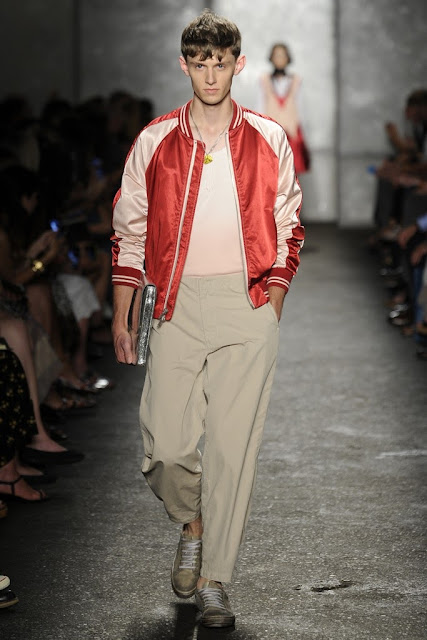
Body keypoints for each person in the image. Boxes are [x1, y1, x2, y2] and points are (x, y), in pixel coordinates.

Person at [111, 9, 304, 629]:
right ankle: (192, 525)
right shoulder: (155, 141)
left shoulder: (269, 138)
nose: (211, 74)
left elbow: (288, 224)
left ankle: (215, 579)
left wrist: (273, 297)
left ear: (238, 64)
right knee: (165, 447)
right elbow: (129, 231)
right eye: (200, 63)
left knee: (231, 449)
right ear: (184, 65)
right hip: (174, 304)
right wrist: (122, 312)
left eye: (221, 63)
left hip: (247, 304)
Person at [258, 42, 310, 175]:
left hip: (291, 132)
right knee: (271, 170)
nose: (280, 59)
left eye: (283, 56)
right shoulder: (264, 80)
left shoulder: (296, 80)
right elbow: (259, 106)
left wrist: (301, 134)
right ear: (271, 58)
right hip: (271, 134)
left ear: (288, 58)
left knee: (291, 171)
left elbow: (301, 108)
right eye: (277, 55)